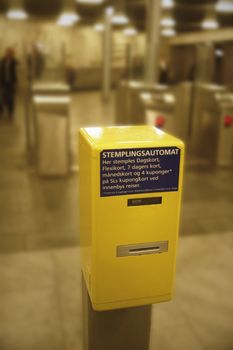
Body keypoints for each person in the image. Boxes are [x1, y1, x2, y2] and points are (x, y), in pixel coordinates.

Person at [0, 48, 18, 120]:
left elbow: (18, 67)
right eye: (7, 52)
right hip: (3, 81)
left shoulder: (14, 61)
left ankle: (10, 111)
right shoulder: (2, 60)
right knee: (2, 96)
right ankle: (1, 111)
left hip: (10, 82)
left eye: (10, 53)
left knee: (11, 98)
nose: (8, 54)